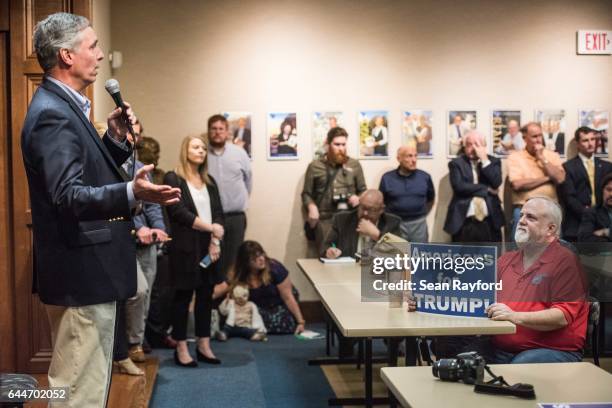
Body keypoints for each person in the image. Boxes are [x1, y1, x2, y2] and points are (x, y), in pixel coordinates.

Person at [22, 12, 180, 406]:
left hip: (90, 272)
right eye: (92, 46)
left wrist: (111, 140)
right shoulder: (53, 114)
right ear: (66, 56)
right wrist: (132, 191)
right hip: (81, 274)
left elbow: (84, 176)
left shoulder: (67, 106)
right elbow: (68, 197)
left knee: (89, 389)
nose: (100, 53)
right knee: (77, 394)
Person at [410, 197, 588, 364]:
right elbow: (470, 294)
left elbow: (561, 316)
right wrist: (425, 299)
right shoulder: (507, 260)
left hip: (551, 349)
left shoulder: (565, 262)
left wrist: (514, 316)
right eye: (522, 215)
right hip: (501, 346)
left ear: (551, 229)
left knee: (516, 370)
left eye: (531, 217)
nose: (522, 220)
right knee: (459, 362)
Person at [164, 135, 225, 367]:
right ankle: (181, 346)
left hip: (210, 246)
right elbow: (178, 213)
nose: (201, 151)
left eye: (203, 148)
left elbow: (219, 212)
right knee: (182, 297)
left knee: (206, 297)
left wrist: (215, 239)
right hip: (185, 247)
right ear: (185, 149)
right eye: (196, 147)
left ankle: (203, 344)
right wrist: (211, 228)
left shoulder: (209, 181)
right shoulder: (173, 177)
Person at [302, 127, 366, 253]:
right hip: (325, 220)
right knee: (328, 256)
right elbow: (306, 193)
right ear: (328, 144)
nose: (341, 148)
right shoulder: (315, 166)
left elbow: (363, 190)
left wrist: (359, 198)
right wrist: (311, 206)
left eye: (343, 144)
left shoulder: (354, 164)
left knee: (350, 257)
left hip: (349, 220)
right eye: (337, 144)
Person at [206, 114, 252, 280]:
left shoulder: (239, 153)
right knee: (211, 260)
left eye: (221, 129)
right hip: (209, 219)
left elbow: (248, 181)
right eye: (214, 129)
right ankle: (212, 301)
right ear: (209, 131)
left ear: (227, 132)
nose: (217, 132)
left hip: (235, 218)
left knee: (233, 260)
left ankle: (229, 301)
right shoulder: (202, 153)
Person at [229, 241, 306, 334]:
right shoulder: (239, 274)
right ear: (246, 262)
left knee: (283, 322)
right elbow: (227, 291)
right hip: (261, 307)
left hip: (281, 303)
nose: (261, 259)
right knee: (247, 315)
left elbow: (288, 298)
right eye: (255, 258)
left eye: (262, 254)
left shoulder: (275, 268)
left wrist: (300, 322)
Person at [507, 122, 565, 238]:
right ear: (524, 138)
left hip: (550, 210)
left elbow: (560, 178)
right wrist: (548, 178)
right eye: (534, 136)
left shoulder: (552, 156)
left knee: (554, 250)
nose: (539, 140)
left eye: (540, 135)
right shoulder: (515, 157)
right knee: (520, 249)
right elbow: (517, 184)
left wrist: (542, 158)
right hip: (524, 209)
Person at [444, 130, 505, 242]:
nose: (473, 148)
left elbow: (496, 182)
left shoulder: (494, 161)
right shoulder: (456, 163)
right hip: (465, 221)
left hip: (490, 221)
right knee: (464, 258)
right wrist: (486, 189)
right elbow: (459, 187)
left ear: (484, 146)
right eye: (469, 145)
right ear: (464, 147)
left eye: (476, 144)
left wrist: (485, 160)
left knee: (492, 257)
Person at [561, 127, 612, 242]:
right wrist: (588, 213)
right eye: (585, 140)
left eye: (592, 139)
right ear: (577, 144)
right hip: (576, 223)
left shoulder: (607, 166)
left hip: (604, 222)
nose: (590, 144)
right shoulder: (568, 167)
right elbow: (569, 197)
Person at [379, 145, 434, 243]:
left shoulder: (425, 177)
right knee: (397, 256)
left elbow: (431, 199)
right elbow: (382, 202)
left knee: (419, 255)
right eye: (409, 156)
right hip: (396, 224)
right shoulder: (387, 178)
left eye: (415, 156)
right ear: (399, 159)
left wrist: (421, 213)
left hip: (418, 224)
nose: (414, 160)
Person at [323, 190, 401, 259]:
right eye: (362, 207)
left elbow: (401, 253)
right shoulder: (341, 220)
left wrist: (377, 235)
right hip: (347, 272)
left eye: (371, 209)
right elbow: (326, 246)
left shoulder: (392, 222)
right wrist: (329, 251)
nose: (365, 213)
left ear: (381, 209)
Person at [578, 172, 612, 243]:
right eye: (608, 190)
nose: (611, 194)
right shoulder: (591, 213)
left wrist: (607, 232)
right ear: (602, 191)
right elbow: (584, 239)